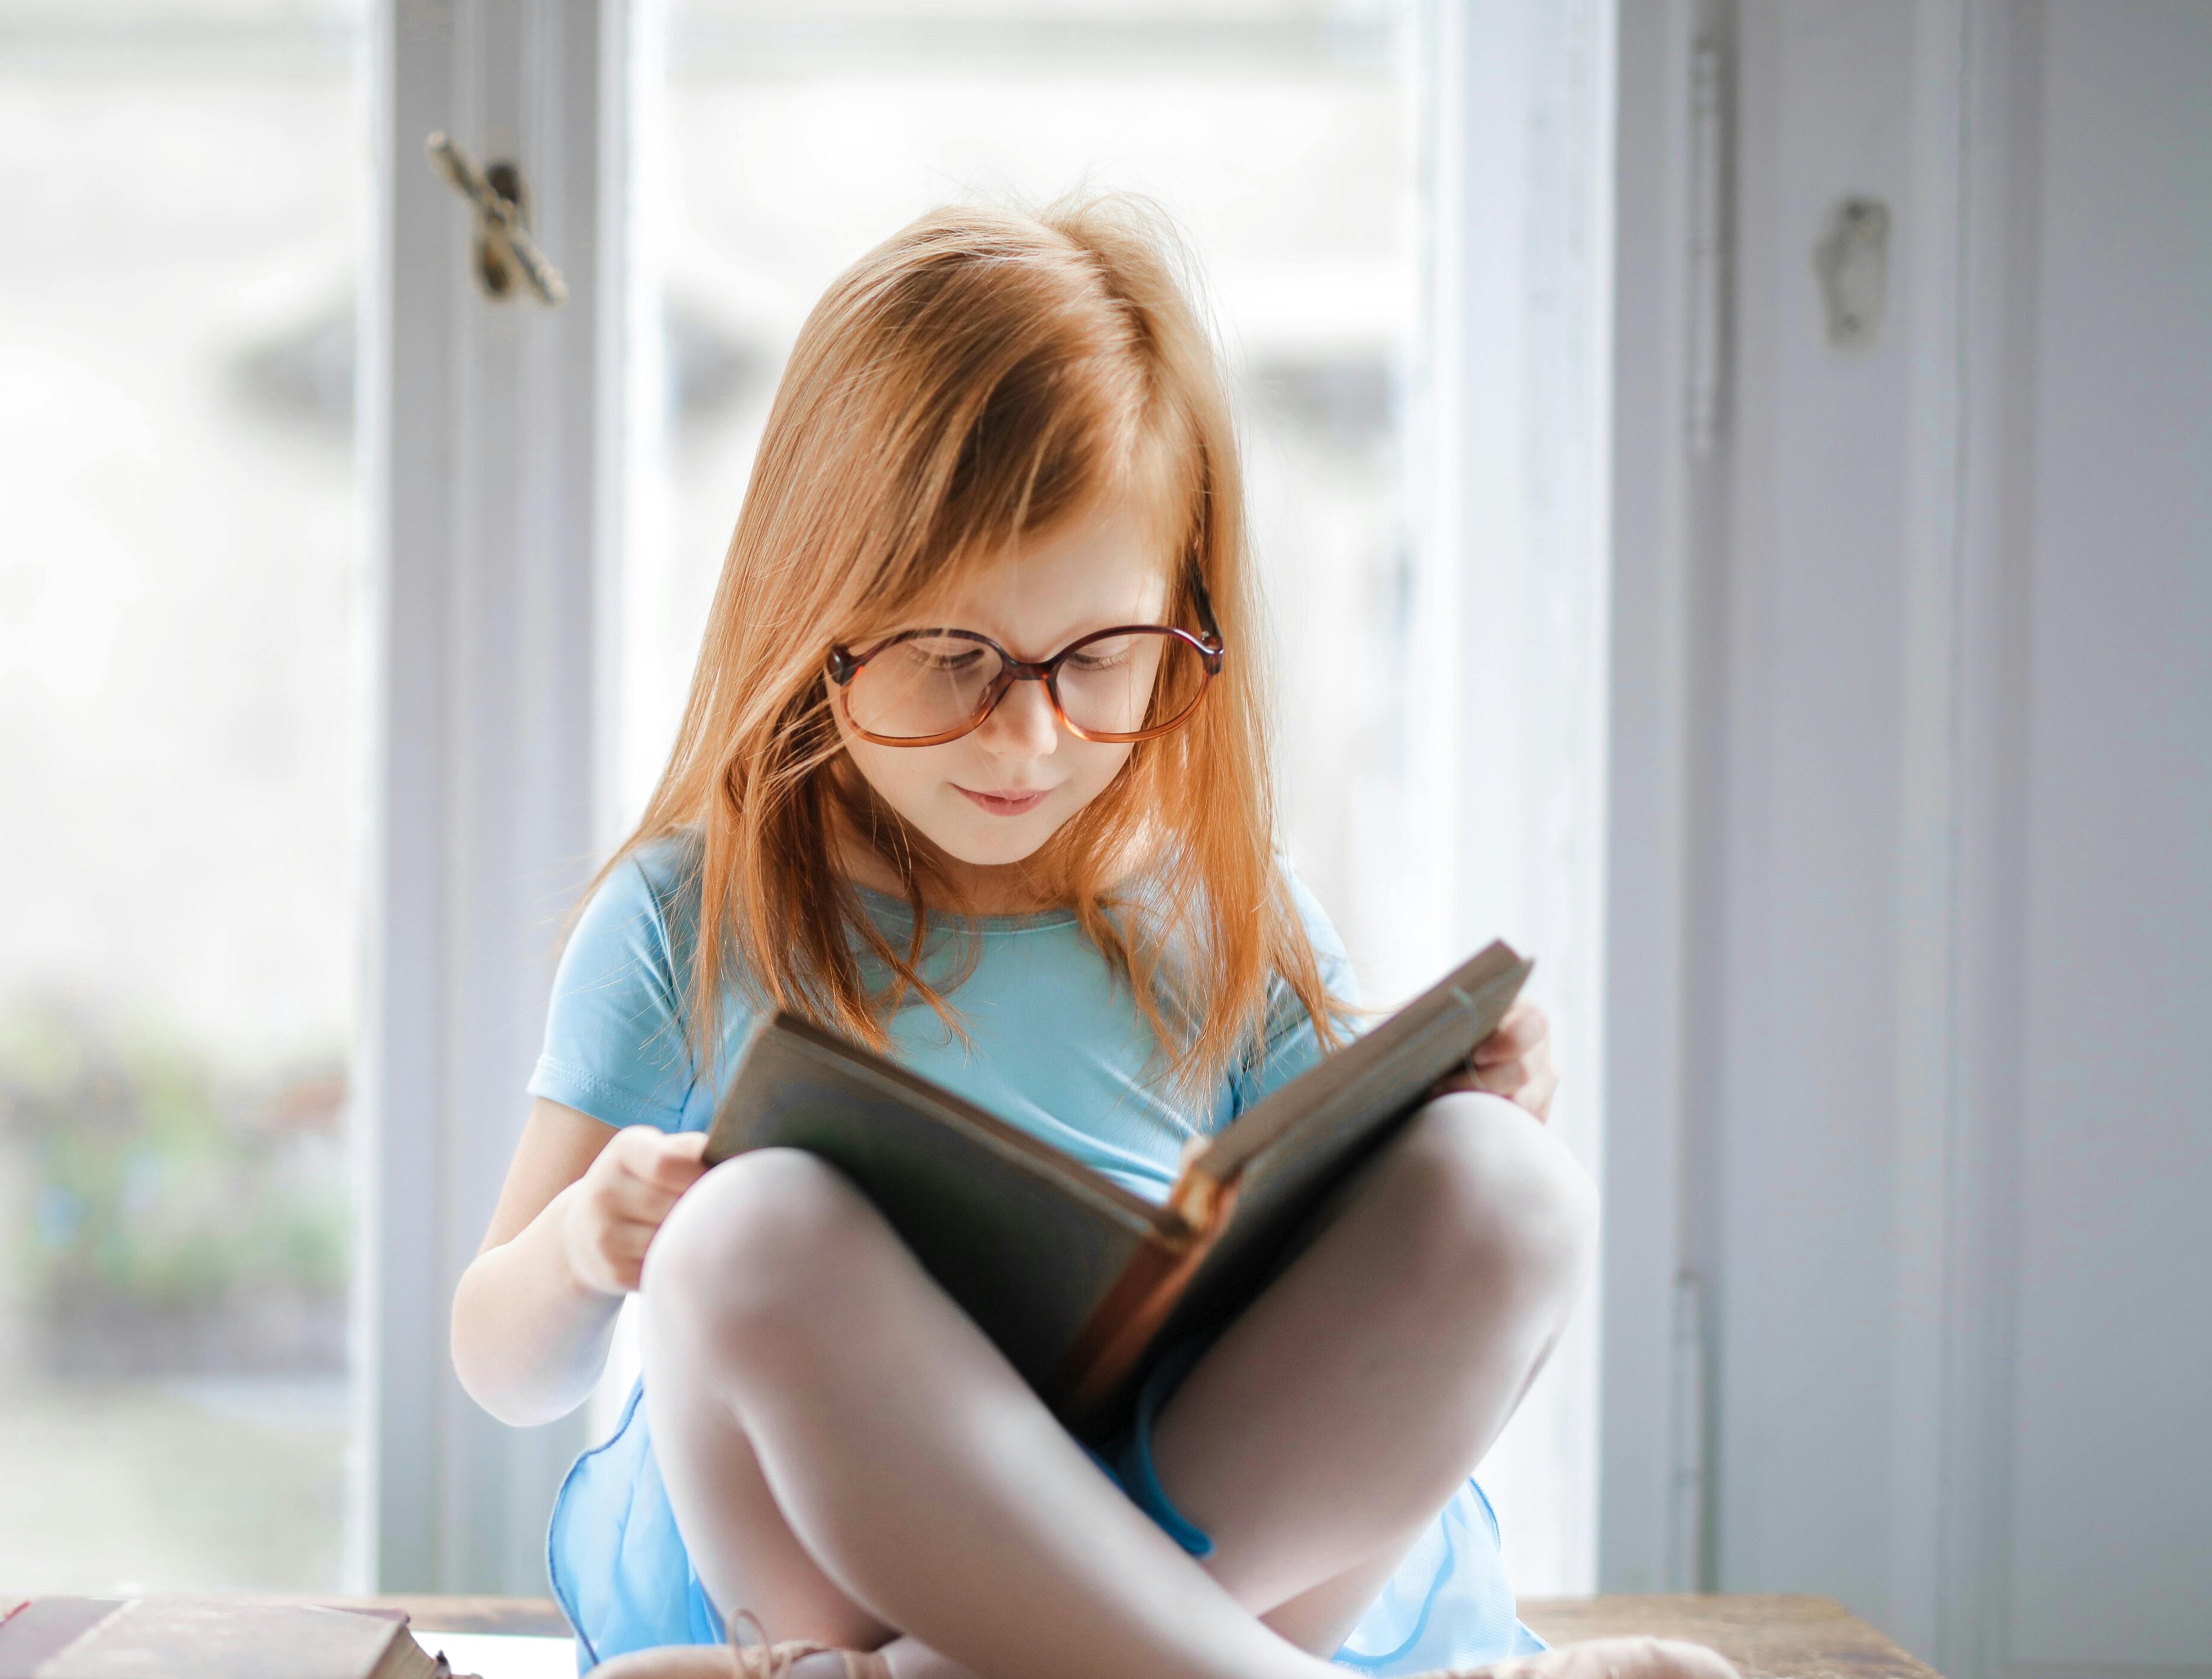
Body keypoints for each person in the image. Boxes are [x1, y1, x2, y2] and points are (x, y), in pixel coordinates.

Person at [449, 197, 1733, 1679]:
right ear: (816, 616)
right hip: (834, 1557)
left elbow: (1368, 1259)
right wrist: (585, 1244)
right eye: (952, 660)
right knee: (746, 1235)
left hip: (1198, 1528)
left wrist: (1468, 1102)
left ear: (1179, 618)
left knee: (1510, 1190)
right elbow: (504, 1366)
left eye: (1103, 659)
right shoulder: (692, 913)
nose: (1030, 735)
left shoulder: (1225, 911)